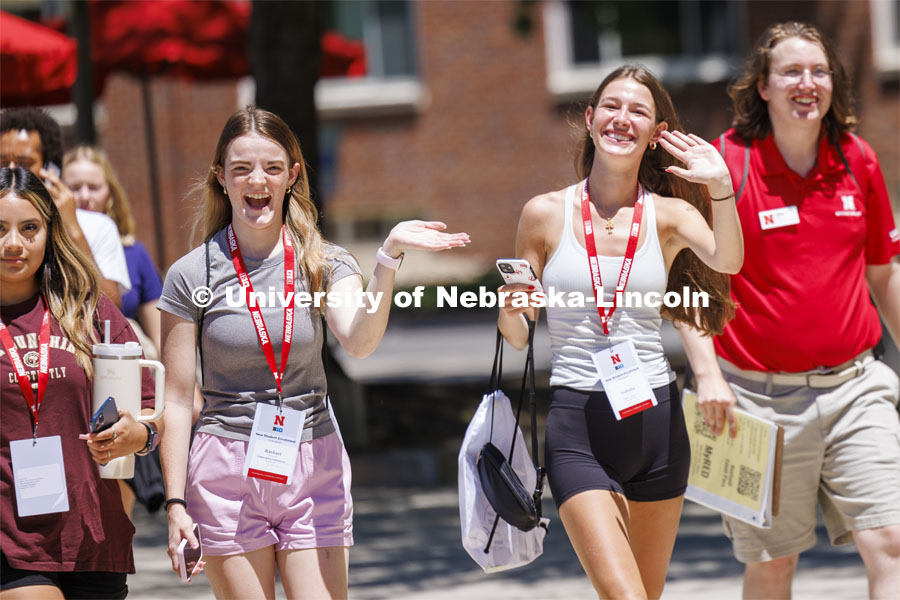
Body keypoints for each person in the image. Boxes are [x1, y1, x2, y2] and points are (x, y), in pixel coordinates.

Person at [158, 107, 469, 598]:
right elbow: (175, 399)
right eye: (241, 168)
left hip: (312, 459)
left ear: (292, 176)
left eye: (272, 168)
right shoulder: (192, 275)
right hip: (225, 468)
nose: (256, 181)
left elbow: (360, 340)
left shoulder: (325, 263)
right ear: (221, 178)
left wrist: (386, 260)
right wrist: (174, 502)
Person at [497, 64, 743, 598]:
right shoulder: (544, 214)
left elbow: (729, 259)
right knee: (623, 595)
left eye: (638, 110)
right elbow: (517, 336)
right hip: (577, 424)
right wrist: (512, 306)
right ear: (589, 118)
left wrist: (721, 186)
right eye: (611, 105)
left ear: (655, 134)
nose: (621, 118)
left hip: (656, 421)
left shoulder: (671, 215)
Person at [677, 22, 900, 599]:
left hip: (858, 387)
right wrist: (707, 376)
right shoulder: (725, 165)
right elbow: (687, 283)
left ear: (834, 84)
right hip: (752, 400)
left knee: (892, 541)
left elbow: (884, 273)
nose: (808, 83)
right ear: (763, 87)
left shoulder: (857, 160)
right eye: (791, 72)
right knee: (773, 564)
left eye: (819, 71)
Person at [0, 167, 160, 599]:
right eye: (0, 229)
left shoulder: (91, 312)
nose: (14, 243)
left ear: (50, 233)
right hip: (9, 538)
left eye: (29, 228)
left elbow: (150, 405)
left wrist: (139, 434)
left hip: (93, 534)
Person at [62, 145, 169, 517]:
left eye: (94, 186)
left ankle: (150, 488)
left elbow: (158, 329)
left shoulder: (133, 251)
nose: (84, 196)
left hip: (127, 358)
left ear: (110, 192)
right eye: (74, 186)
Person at [0, 107, 130, 308]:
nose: (11, 171)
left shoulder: (96, 225)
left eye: (23, 163)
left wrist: (72, 228)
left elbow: (110, 308)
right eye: (2, 163)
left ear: (51, 168)